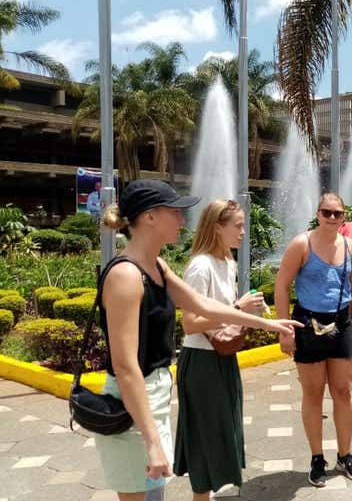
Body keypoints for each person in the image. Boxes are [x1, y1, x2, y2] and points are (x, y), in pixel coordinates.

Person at [95, 179, 299, 501]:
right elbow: (125, 365)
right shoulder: (125, 275)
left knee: (153, 496)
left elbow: (203, 306)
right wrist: (151, 441)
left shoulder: (157, 266)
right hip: (131, 402)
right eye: (174, 212)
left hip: (155, 395)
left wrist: (270, 325)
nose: (182, 220)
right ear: (149, 217)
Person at [173, 199, 269, 500]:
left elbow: (225, 311)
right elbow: (189, 323)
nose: (243, 232)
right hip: (201, 361)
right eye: (238, 225)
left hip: (222, 358)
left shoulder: (227, 262)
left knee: (221, 434)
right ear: (217, 227)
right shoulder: (200, 266)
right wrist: (237, 307)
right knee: (206, 440)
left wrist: (251, 308)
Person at [274, 193, 352, 487]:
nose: (332, 218)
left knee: (343, 391)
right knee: (313, 394)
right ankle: (317, 458)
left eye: (338, 213)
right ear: (318, 213)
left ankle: (345, 454)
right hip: (307, 322)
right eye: (327, 212)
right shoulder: (302, 244)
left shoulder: (351, 247)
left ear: (344, 217)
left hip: (340, 322)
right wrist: (285, 330)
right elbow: (282, 285)